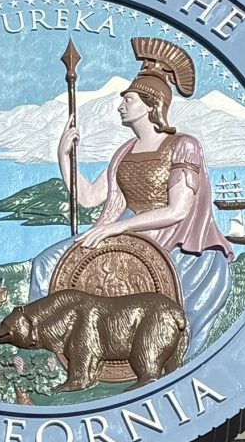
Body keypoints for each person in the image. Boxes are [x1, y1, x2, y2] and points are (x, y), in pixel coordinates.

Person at [29, 37, 234, 356]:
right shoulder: (124, 151)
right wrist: (64, 157)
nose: (120, 105)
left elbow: (178, 210)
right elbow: (89, 198)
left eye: (129, 99)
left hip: (166, 234)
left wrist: (119, 227)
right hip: (121, 228)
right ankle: (42, 351)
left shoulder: (184, 145)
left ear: (152, 104)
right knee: (45, 263)